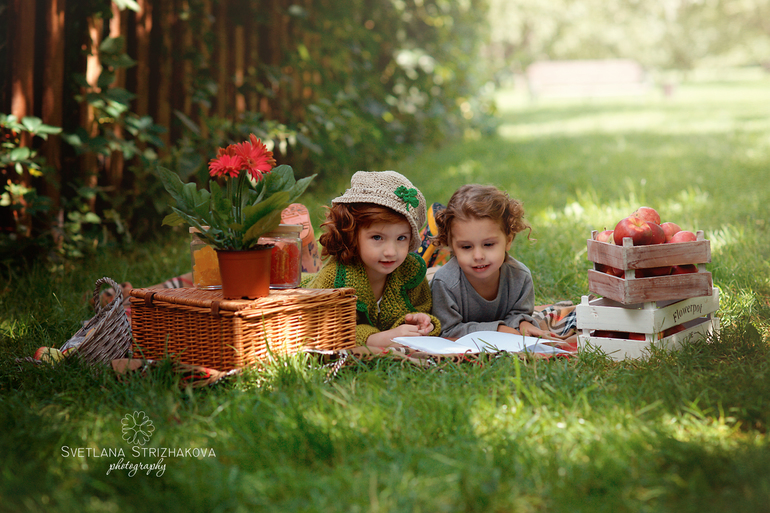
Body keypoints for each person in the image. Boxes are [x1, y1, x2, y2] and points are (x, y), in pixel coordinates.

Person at [302, 171, 441, 349]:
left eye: (401, 238)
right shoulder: (335, 278)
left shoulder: (411, 270)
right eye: (377, 237)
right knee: (300, 276)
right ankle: (304, 249)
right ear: (352, 233)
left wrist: (419, 322)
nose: (391, 252)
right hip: (303, 288)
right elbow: (315, 327)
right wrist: (371, 338)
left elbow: (421, 307)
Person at [430, 184, 560, 340]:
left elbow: (518, 314)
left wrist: (523, 324)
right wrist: (497, 330)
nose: (478, 256)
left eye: (488, 244)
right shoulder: (445, 284)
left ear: (508, 241)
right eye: (466, 246)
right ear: (451, 246)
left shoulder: (519, 277)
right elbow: (446, 331)